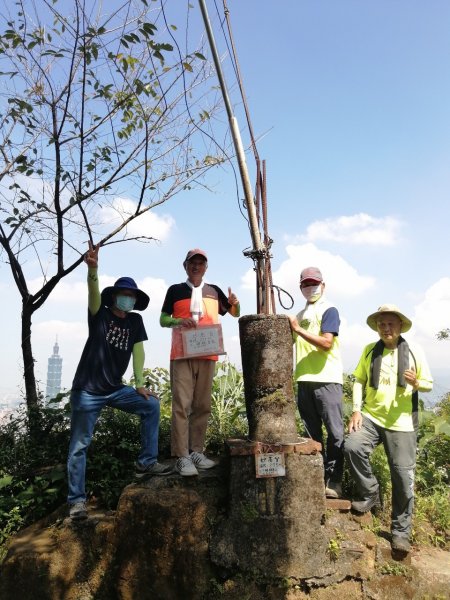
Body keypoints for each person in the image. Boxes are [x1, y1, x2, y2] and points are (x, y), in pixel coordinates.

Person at [67, 243, 171, 520]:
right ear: (114, 296)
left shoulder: (135, 322)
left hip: (115, 389)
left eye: (131, 295)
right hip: (87, 390)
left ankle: (147, 462)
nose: (127, 298)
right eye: (123, 294)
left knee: (151, 405)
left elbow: (139, 351)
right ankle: (77, 501)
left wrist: (138, 383)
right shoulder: (99, 314)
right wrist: (93, 270)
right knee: (79, 445)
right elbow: (92, 293)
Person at [345, 304, 433, 553]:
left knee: (403, 478)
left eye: (390, 323)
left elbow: (427, 383)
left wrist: (416, 382)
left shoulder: (414, 350)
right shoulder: (370, 350)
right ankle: (370, 491)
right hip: (372, 418)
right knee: (352, 445)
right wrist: (356, 409)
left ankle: (401, 533)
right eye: (381, 324)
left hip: (403, 423)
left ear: (401, 326)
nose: (386, 328)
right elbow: (359, 381)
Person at [160, 248, 240, 476]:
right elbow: (162, 319)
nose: (196, 266)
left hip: (207, 353)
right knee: (181, 405)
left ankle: (196, 450)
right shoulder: (174, 290)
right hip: (182, 353)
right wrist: (177, 320)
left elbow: (233, 313)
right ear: (184, 266)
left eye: (200, 263)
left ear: (206, 267)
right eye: (192, 263)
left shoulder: (214, 291)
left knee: (202, 404)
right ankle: (182, 456)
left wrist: (234, 302)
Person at [288, 266, 344, 499]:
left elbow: (327, 342)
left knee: (335, 432)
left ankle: (335, 481)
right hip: (304, 379)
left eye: (315, 283)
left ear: (323, 285)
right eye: (306, 284)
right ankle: (317, 478)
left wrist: (298, 330)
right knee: (312, 435)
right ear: (300, 288)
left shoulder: (329, 309)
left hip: (327, 378)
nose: (311, 287)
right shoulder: (299, 315)